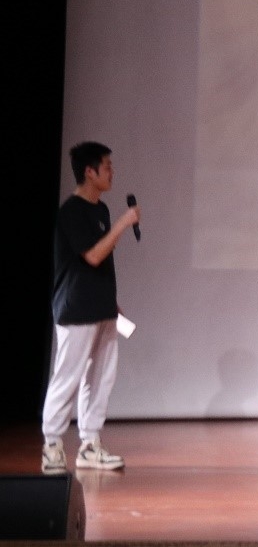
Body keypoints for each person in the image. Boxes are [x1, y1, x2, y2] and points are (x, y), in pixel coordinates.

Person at [40, 141, 140, 473]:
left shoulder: (101, 210)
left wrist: (111, 301)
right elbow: (93, 255)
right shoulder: (72, 211)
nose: (112, 172)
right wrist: (123, 224)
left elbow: (102, 263)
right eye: (107, 166)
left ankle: (90, 444)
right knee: (68, 376)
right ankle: (52, 444)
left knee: (100, 377)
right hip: (76, 308)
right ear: (89, 171)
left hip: (102, 307)